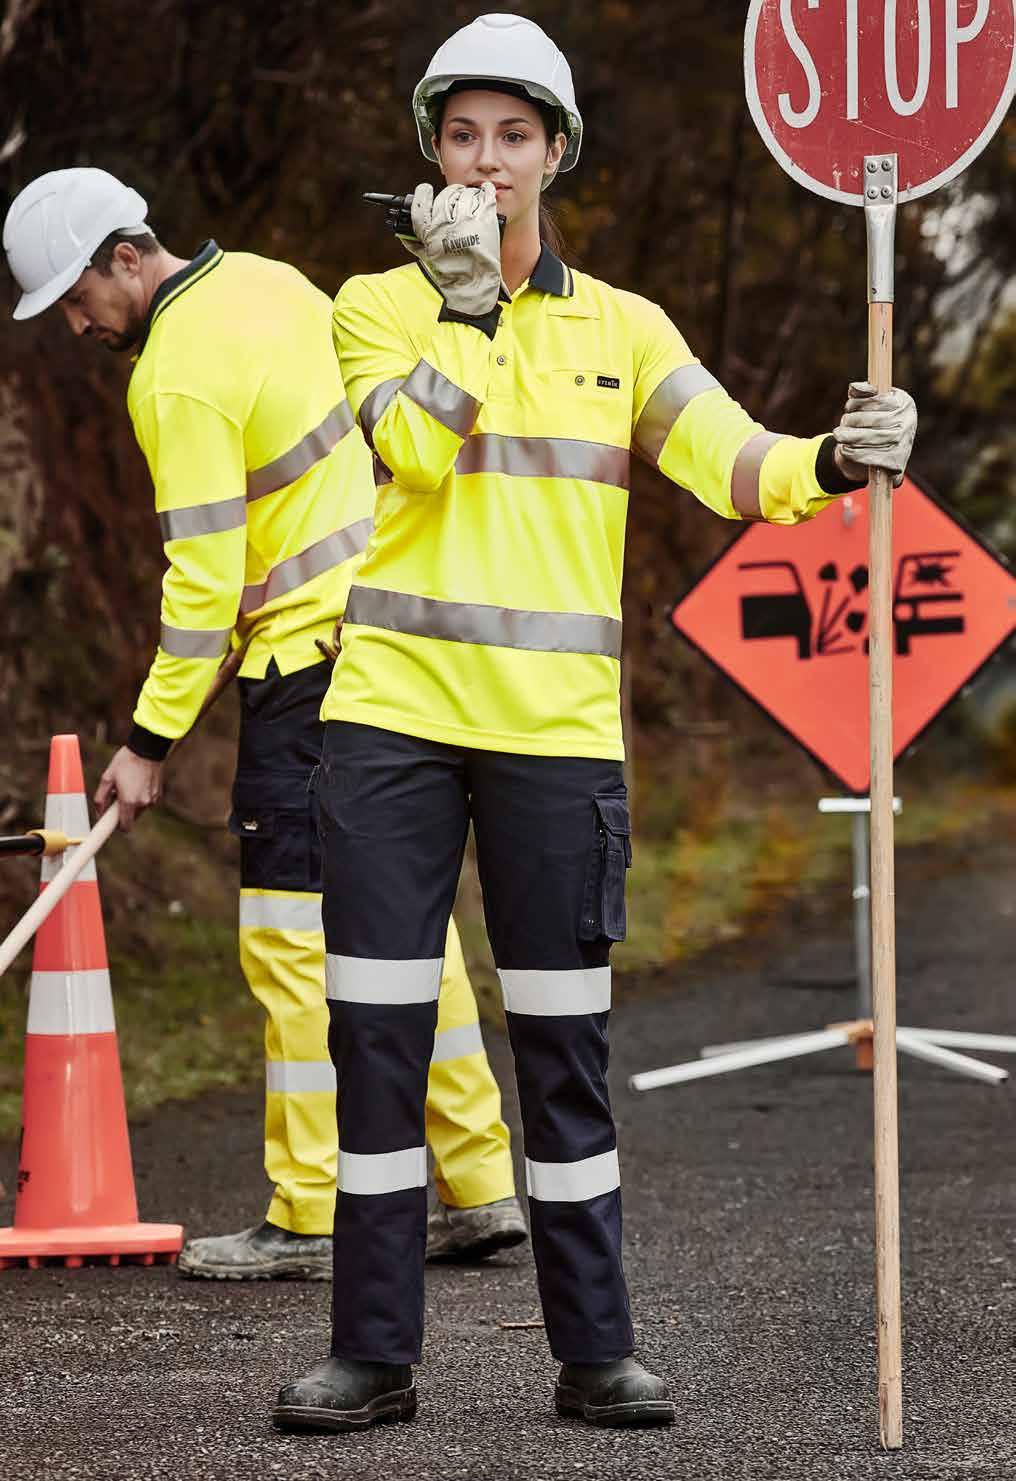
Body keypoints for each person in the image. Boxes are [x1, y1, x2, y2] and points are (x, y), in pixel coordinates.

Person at [272, 12, 918, 1433]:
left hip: (556, 744)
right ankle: (371, 1354)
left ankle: (596, 1349)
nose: (485, 161)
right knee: (375, 1041)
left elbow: (732, 461)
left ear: (556, 152)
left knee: (563, 1054)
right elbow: (408, 454)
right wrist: (462, 313)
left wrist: (836, 454)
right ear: (430, 154)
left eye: (513, 136)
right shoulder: (372, 306)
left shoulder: (623, 326)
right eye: (461, 136)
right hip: (387, 728)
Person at [2, 167, 527, 1278]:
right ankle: (480, 1186)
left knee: (290, 945)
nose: (79, 327)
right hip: (392, 644)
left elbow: (201, 581)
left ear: (126, 257)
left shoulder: (173, 379)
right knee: (409, 929)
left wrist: (147, 744)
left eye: (78, 300)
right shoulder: (274, 281)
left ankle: (311, 1209)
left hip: (307, 675)